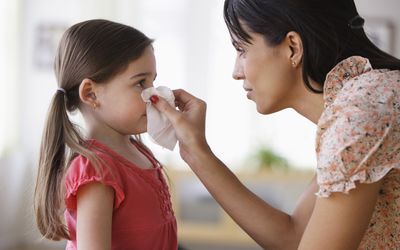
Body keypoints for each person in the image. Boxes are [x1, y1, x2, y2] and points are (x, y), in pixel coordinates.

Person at [150, 0, 400, 249]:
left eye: (241, 49)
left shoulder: (358, 114)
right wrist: (195, 152)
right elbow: (294, 237)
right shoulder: (369, 98)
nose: (236, 72)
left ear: (292, 47)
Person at [33, 19, 177, 249]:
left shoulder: (139, 151)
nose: (154, 95)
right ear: (91, 94)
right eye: (140, 83)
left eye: (153, 81)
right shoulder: (96, 171)